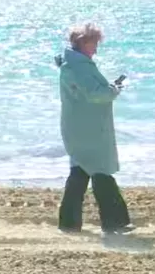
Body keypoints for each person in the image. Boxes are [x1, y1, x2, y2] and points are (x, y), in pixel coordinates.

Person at [54, 23, 133, 233]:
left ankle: (69, 223)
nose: (96, 48)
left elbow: (88, 91)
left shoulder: (73, 64)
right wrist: (114, 89)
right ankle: (114, 222)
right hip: (88, 129)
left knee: (80, 171)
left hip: (79, 126)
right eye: (95, 43)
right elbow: (96, 94)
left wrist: (109, 89)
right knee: (100, 171)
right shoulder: (79, 66)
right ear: (84, 42)